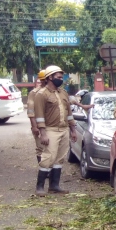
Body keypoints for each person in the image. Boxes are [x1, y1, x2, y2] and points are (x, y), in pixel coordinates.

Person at [33, 65, 77, 195]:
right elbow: (39, 116)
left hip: (64, 130)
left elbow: (69, 113)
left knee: (59, 158)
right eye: (58, 77)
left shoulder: (63, 92)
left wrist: (73, 130)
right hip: (50, 130)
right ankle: (39, 187)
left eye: (61, 77)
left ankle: (54, 186)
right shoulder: (41, 94)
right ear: (50, 77)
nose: (61, 79)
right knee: (48, 157)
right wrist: (43, 133)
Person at [27, 69, 47, 163]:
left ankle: (50, 168)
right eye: (43, 79)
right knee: (40, 147)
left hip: (52, 125)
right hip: (39, 126)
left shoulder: (54, 92)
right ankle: (43, 169)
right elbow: (31, 111)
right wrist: (35, 127)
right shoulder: (34, 93)